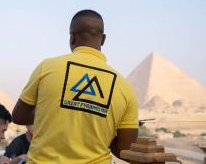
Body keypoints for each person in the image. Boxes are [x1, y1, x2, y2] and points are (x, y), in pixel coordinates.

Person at [12, 10, 139, 163]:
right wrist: (103, 125)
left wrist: (53, 110)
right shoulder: (124, 87)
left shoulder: (47, 67)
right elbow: (126, 150)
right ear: (103, 39)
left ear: (72, 37)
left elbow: (18, 116)